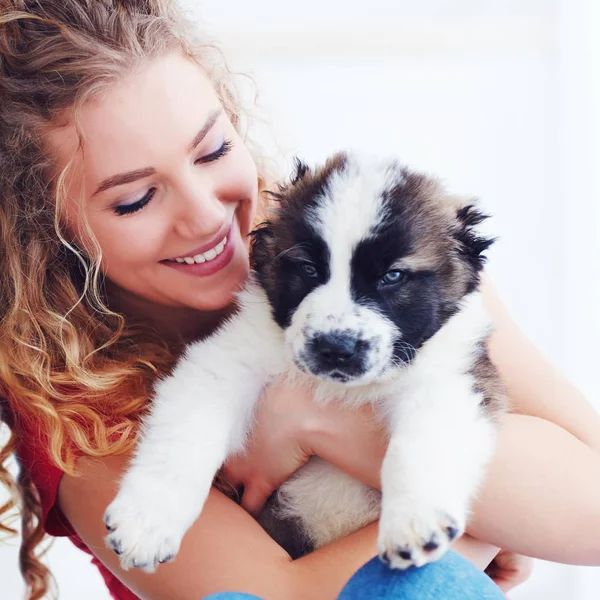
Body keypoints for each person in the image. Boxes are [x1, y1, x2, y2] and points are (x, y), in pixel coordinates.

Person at [0, 1, 599, 599]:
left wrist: (318, 420)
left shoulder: (414, 261)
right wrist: (484, 525)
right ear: (42, 233)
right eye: (135, 199)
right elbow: (276, 597)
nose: (207, 216)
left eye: (211, 152)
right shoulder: (77, 415)